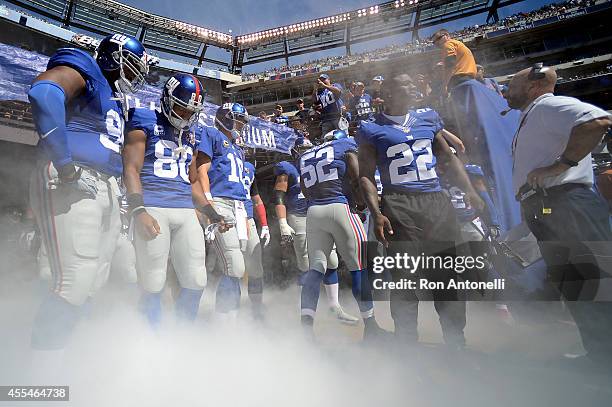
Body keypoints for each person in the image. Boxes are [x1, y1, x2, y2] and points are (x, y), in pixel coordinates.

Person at [27, 33, 148, 350]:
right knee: (74, 279)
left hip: (105, 185)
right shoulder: (87, 68)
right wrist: (65, 164)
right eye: (131, 67)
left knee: (94, 280)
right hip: (75, 177)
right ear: (113, 59)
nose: (135, 76)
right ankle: (38, 372)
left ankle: (69, 355)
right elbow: (44, 93)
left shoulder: (113, 97)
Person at [357, 74, 484, 349]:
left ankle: (455, 339)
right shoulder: (370, 128)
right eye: (406, 83)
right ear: (388, 93)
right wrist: (377, 211)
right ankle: (406, 341)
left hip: (435, 200)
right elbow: (366, 174)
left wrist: (471, 190)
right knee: (404, 275)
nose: (414, 86)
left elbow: (448, 158)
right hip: (399, 202)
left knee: (447, 273)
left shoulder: (428, 117)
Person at [505, 63, 612, 364]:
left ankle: (605, 356)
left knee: (593, 283)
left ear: (532, 86)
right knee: (576, 284)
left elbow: (597, 120)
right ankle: (600, 354)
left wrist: (560, 166)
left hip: (569, 204)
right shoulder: (533, 114)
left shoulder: (547, 105)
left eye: (512, 85)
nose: (506, 91)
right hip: (553, 207)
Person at [122, 73, 207, 328]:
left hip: (184, 210)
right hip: (154, 205)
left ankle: (182, 334)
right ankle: (151, 338)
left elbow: (192, 181)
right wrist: (139, 210)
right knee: (153, 280)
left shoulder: (191, 134)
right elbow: (131, 168)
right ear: (168, 101)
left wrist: (211, 213)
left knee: (196, 279)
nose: (185, 116)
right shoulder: (144, 120)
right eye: (181, 108)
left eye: (191, 111)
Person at [298, 129, 382, 340]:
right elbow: (355, 176)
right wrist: (360, 203)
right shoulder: (344, 146)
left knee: (316, 269)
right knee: (359, 268)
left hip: (314, 212)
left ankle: (306, 329)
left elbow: (305, 190)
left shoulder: (307, 155)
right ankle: (371, 326)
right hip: (340, 207)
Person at [273, 151, 359, 324]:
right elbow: (279, 195)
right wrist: (282, 221)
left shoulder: (322, 164)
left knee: (332, 261)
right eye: (303, 148)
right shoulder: (288, 169)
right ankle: (303, 312)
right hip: (299, 217)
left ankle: (334, 307)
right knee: (307, 265)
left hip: (317, 213)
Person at [195, 103, 250, 319]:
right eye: (238, 120)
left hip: (238, 206)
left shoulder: (237, 146)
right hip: (220, 201)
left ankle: (231, 318)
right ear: (226, 117)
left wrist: (245, 212)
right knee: (233, 265)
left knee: (237, 268)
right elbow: (202, 170)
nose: (241, 125)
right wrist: (208, 203)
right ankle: (222, 323)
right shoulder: (212, 134)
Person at [242, 161, 270, 319]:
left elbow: (256, 199)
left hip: (248, 218)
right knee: (234, 267)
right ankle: (228, 310)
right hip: (227, 215)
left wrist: (264, 224)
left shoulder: (249, 168)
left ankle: (256, 308)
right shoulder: (220, 158)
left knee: (256, 266)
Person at [431, 29, 477, 95]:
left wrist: (444, 85)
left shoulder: (447, 44)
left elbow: (450, 65)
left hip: (459, 80)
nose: (437, 43)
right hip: (469, 80)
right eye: (434, 42)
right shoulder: (457, 43)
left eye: (438, 38)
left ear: (447, 35)